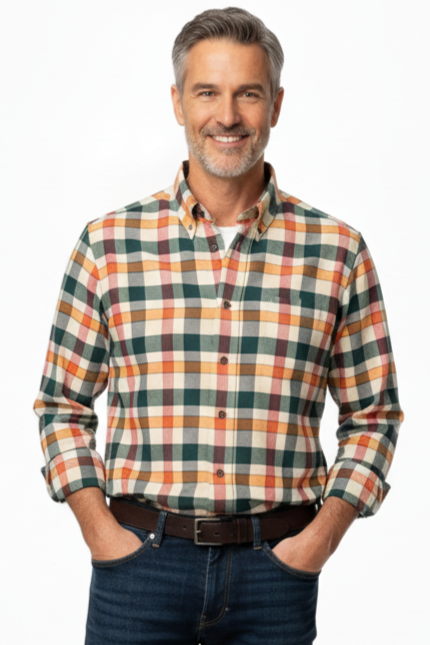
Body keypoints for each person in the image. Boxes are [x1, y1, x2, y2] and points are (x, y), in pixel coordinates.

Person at [33, 7, 403, 645]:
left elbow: (373, 417)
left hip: (276, 574)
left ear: (276, 105)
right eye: (207, 92)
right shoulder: (108, 245)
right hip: (138, 568)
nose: (227, 116)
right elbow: (61, 406)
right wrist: (100, 532)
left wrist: (316, 542)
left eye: (248, 94)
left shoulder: (338, 252)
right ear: (177, 102)